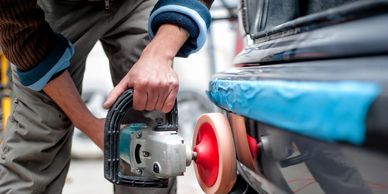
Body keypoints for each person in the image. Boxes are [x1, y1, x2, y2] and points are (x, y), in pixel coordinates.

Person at [0, 0, 213, 193]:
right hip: (58, 7)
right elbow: (22, 33)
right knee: (39, 132)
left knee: (149, 132)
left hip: (137, 3)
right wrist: (90, 124)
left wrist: (160, 53)